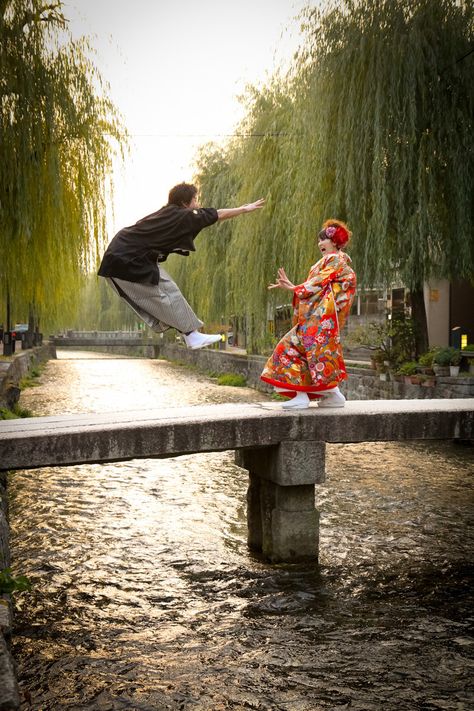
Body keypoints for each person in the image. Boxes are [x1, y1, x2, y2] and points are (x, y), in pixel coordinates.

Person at [98, 183, 264, 348]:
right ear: (185, 203)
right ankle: (191, 335)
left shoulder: (166, 213)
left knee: (162, 292)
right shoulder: (184, 215)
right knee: (166, 292)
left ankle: (189, 334)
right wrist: (243, 209)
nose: (197, 205)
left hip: (119, 257)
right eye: (195, 200)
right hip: (127, 259)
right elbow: (217, 215)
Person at [261, 219, 357, 409]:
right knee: (317, 355)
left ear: (335, 241)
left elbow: (319, 282)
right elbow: (319, 285)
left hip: (320, 319)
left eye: (325, 239)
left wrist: (293, 287)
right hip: (322, 319)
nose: (320, 244)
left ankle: (301, 396)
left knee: (289, 348)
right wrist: (296, 288)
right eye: (319, 241)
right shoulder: (332, 261)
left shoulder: (335, 260)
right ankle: (334, 396)